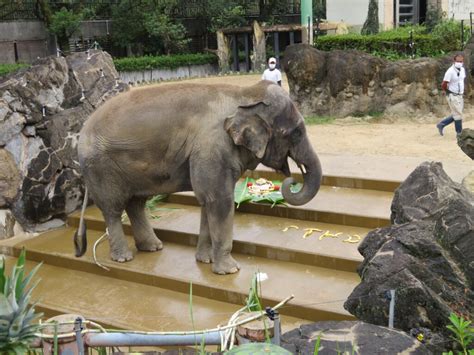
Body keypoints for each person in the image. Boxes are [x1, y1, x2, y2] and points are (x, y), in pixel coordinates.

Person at [436, 54, 466, 137]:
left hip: (460, 95)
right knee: (458, 114)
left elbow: (461, 81)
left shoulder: (463, 70)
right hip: (452, 95)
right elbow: (443, 84)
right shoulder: (450, 71)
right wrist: (448, 92)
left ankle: (441, 124)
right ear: (454, 61)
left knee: (457, 113)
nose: (459, 63)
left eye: (461, 61)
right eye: (458, 61)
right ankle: (459, 133)